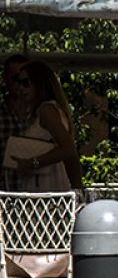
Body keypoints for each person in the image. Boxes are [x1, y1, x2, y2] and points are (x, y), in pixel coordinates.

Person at [11, 60, 80, 192]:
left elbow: (68, 149)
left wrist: (32, 163)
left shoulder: (47, 110)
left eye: (26, 83)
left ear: (39, 83)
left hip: (45, 185)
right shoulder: (42, 110)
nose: (21, 88)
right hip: (42, 183)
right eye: (19, 83)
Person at [0, 54, 28, 191]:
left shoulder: (41, 114)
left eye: (25, 80)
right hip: (5, 195)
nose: (20, 84)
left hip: (37, 198)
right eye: (15, 78)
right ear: (5, 79)